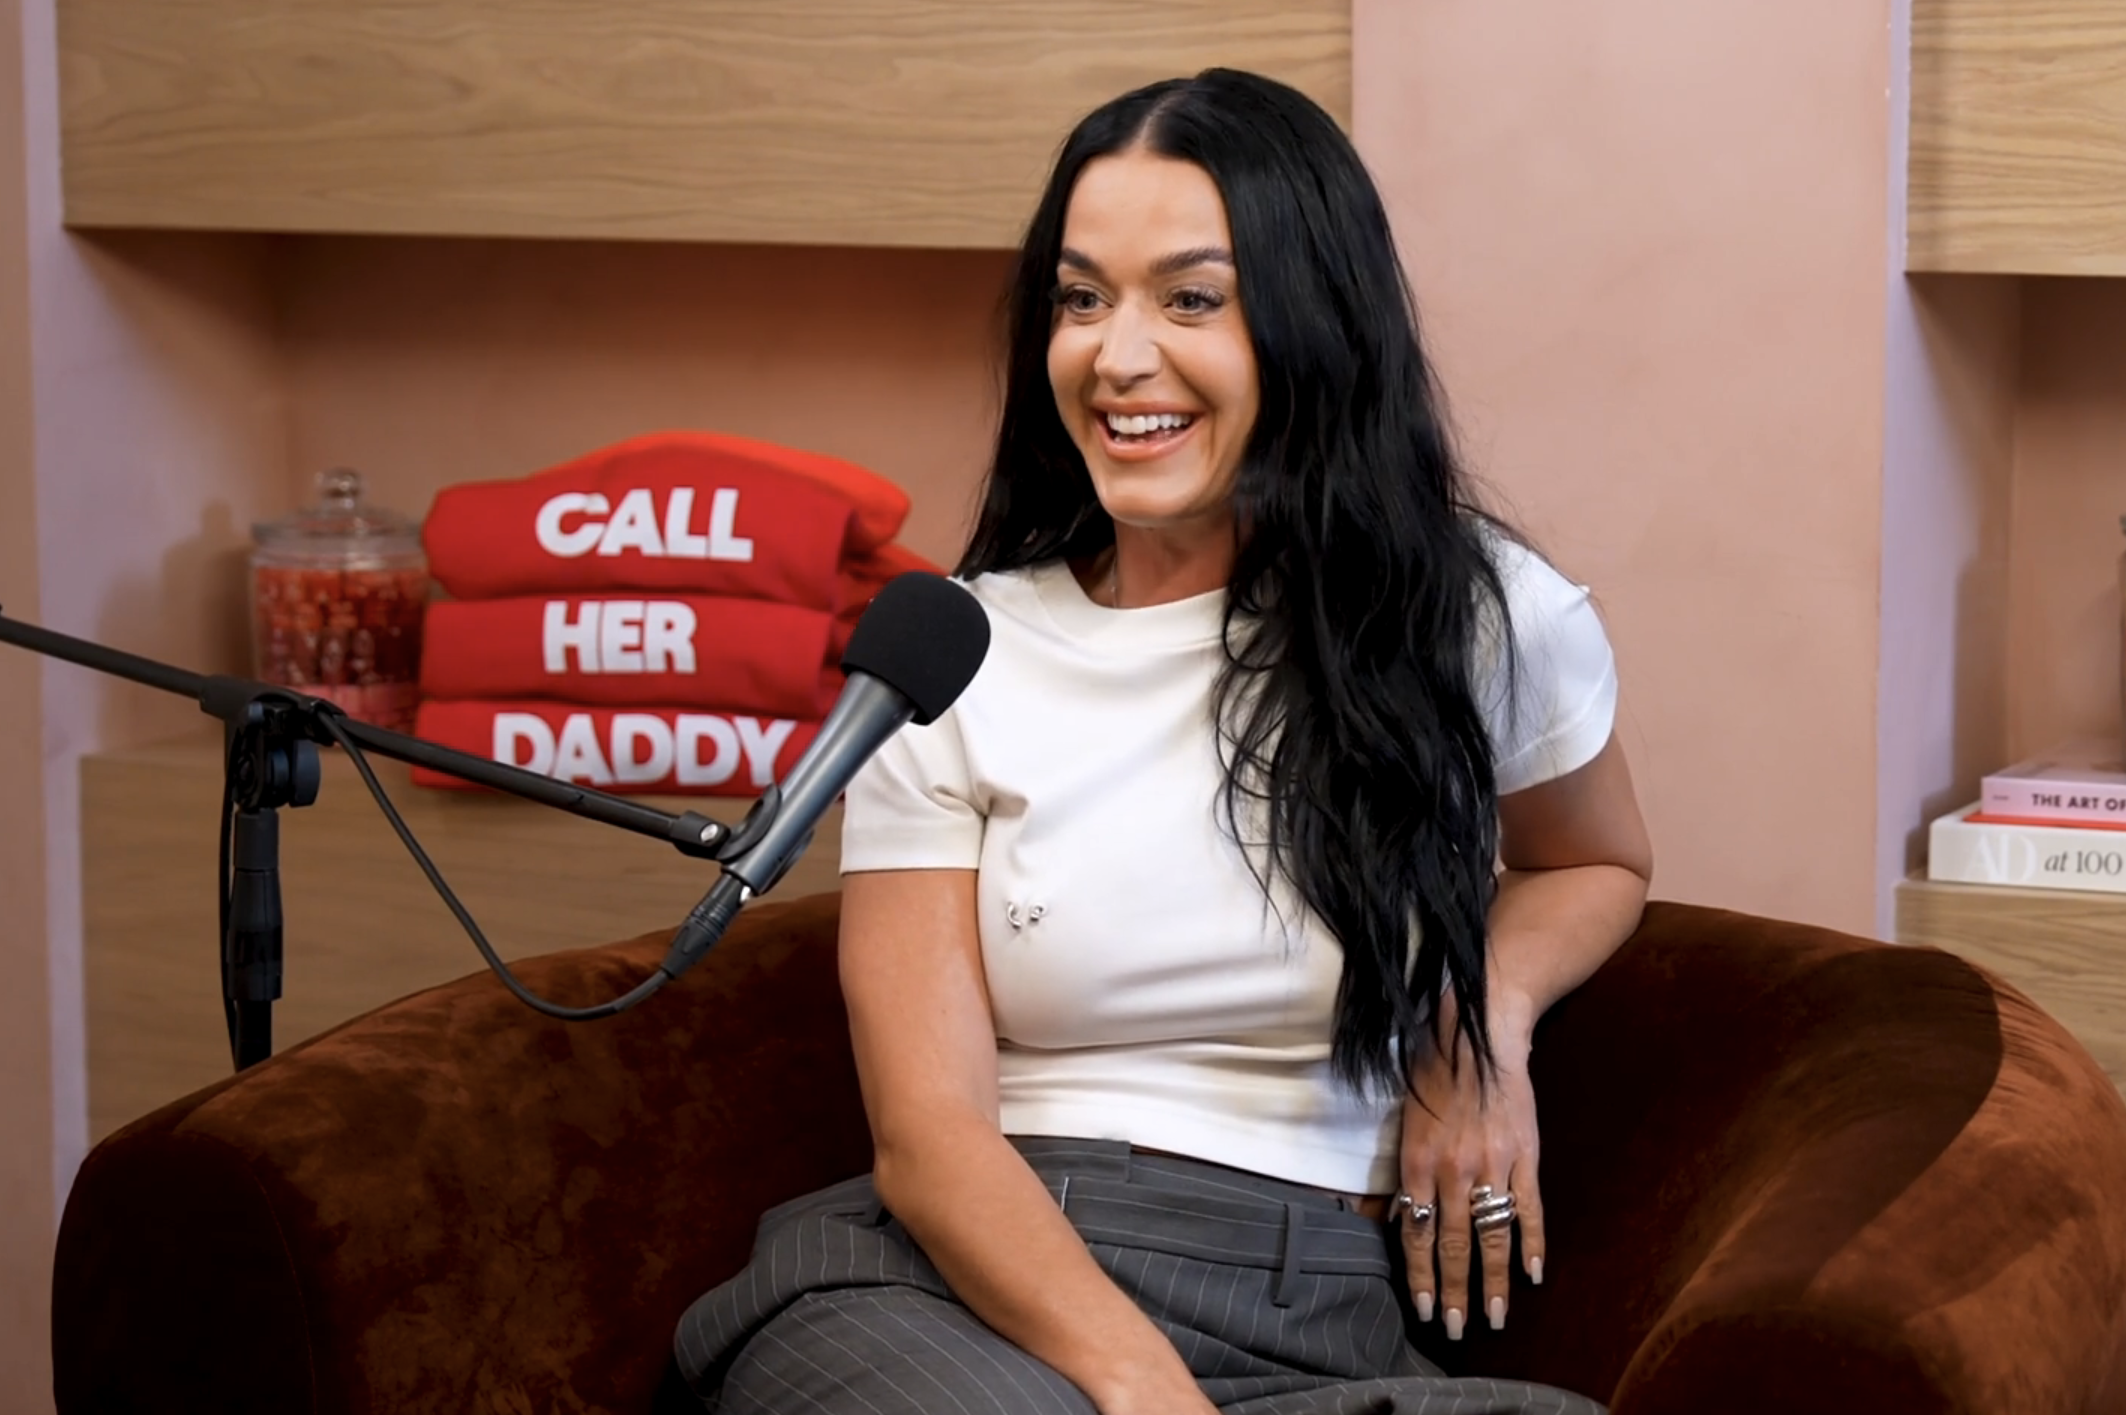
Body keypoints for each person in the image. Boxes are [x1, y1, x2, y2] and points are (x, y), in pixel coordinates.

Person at [675, 67, 1653, 1415]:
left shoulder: (1477, 617)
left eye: (1190, 298)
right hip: (965, 1298)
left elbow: (1589, 861)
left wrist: (1474, 1016)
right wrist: (1139, 1390)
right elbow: (928, 1130)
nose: (1115, 356)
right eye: (1080, 299)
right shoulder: (954, 653)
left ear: (1314, 323)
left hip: (1320, 1315)